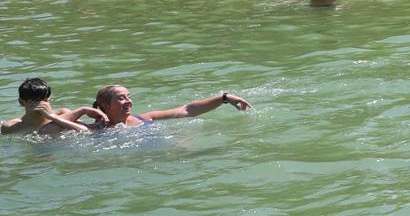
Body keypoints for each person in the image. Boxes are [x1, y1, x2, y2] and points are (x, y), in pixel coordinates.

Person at [86, 84, 252, 129]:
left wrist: (224, 98)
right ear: (104, 105)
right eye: (121, 98)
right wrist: (83, 111)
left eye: (129, 97)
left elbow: (187, 110)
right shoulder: (95, 130)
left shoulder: (145, 118)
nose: (128, 101)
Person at [3, 78, 105, 136]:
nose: (41, 106)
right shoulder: (11, 127)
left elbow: (87, 133)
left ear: (49, 100)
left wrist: (52, 117)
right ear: (22, 102)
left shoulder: (64, 114)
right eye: (35, 102)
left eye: (45, 100)